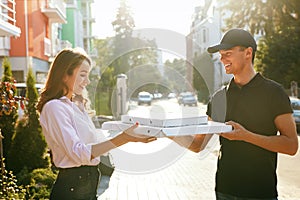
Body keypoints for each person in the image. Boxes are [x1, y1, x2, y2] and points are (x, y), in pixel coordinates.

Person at [168, 28, 298, 200]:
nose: (222, 59)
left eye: (227, 53)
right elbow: (199, 144)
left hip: (260, 193)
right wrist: (166, 132)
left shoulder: (274, 93)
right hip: (225, 191)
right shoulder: (219, 98)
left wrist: (246, 136)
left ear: (248, 53)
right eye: (221, 55)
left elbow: (291, 145)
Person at [36, 47, 157, 200]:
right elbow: (79, 153)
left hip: (87, 186)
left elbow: (96, 146)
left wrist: (128, 133)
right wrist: (124, 138)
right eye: (82, 75)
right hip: (72, 189)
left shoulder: (76, 106)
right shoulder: (54, 107)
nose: (87, 81)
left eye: (88, 75)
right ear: (64, 75)